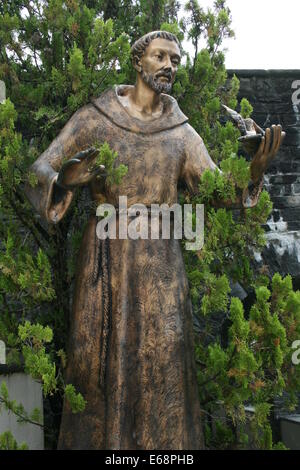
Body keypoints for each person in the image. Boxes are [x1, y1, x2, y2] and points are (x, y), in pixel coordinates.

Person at [25, 31, 285, 450]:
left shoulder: (179, 130)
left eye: (176, 60)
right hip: (106, 262)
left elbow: (215, 187)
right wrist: (66, 179)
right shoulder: (97, 117)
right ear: (138, 62)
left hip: (161, 264)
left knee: (164, 362)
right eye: (161, 56)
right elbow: (38, 170)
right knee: (98, 366)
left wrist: (252, 171)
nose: (169, 65)